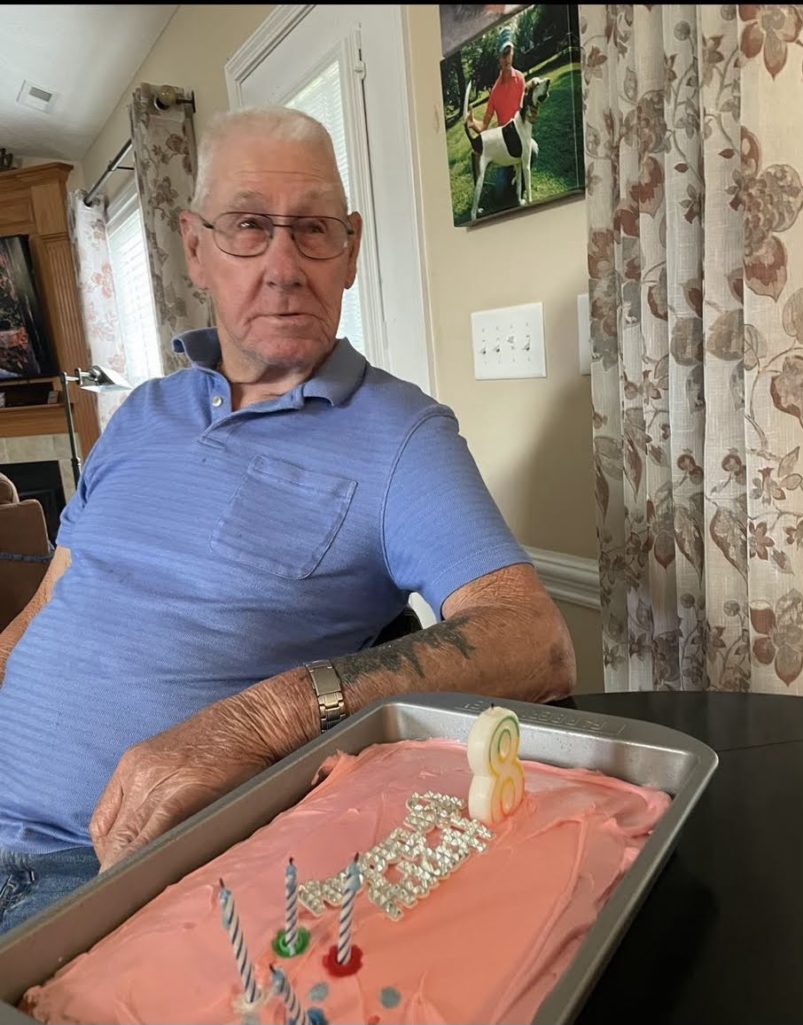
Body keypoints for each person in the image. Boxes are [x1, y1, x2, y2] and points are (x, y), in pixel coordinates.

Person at [0, 106, 575, 934]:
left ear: (350, 250)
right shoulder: (137, 417)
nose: (283, 266)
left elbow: (534, 639)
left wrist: (265, 715)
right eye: (247, 226)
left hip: (102, 875)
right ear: (194, 248)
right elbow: (49, 603)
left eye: (312, 229)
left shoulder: (401, 436)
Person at [467, 25, 525, 135]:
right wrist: (472, 122)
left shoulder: (520, 79)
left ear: (512, 53)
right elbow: (484, 126)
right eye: (503, 54)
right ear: (498, 57)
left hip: (521, 135)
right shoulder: (495, 92)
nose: (506, 58)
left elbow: (525, 112)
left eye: (508, 53)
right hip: (505, 141)